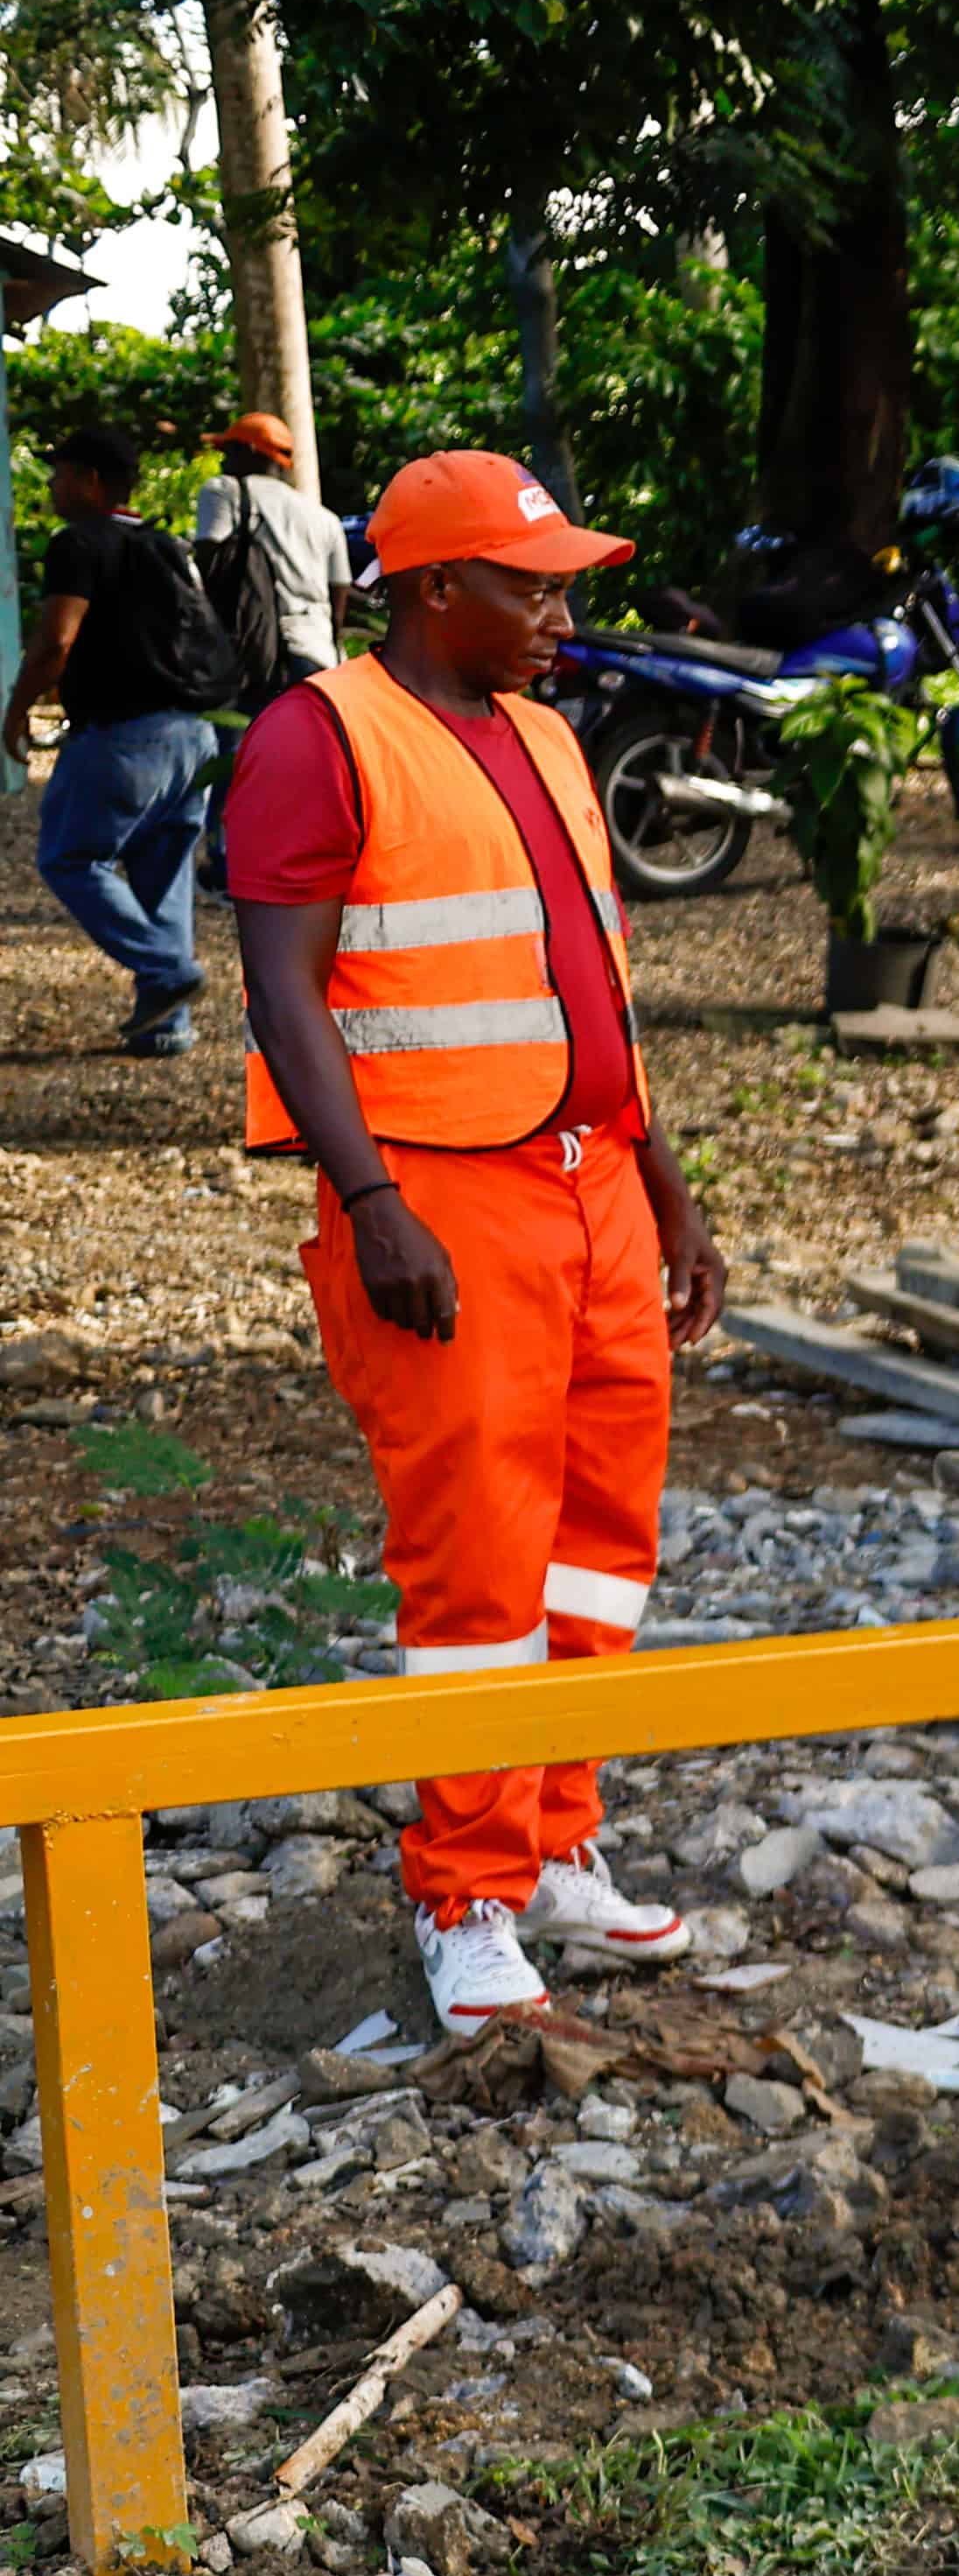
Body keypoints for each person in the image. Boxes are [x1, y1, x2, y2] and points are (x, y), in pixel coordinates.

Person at [226, 453, 732, 2034]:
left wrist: (668, 1190)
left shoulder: (552, 737)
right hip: (444, 1199)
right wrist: (373, 1200)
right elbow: (283, 988)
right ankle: (466, 1896)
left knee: (599, 1536)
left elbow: (599, 986)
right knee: (476, 1557)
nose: (562, 614)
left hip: (594, 1186)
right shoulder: (321, 738)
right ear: (437, 587)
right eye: (534, 586)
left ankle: (555, 1842)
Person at [13, 424, 232, 1056]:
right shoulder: (166, 544)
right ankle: (166, 1027)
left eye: (60, 474)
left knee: (70, 857)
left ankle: (166, 970)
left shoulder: (77, 543)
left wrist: (16, 710)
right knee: (164, 872)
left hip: (124, 737)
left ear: (91, 481)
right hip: (195, 735)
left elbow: (56, 641)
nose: (53, 486)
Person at [193, 409, 351, 691]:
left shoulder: (224, 491)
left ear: (250, 451)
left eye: (228, 451)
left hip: (254, 657)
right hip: (319, 658)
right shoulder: (326, 519)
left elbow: (208, 563)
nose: (223, 461)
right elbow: (339, 593)